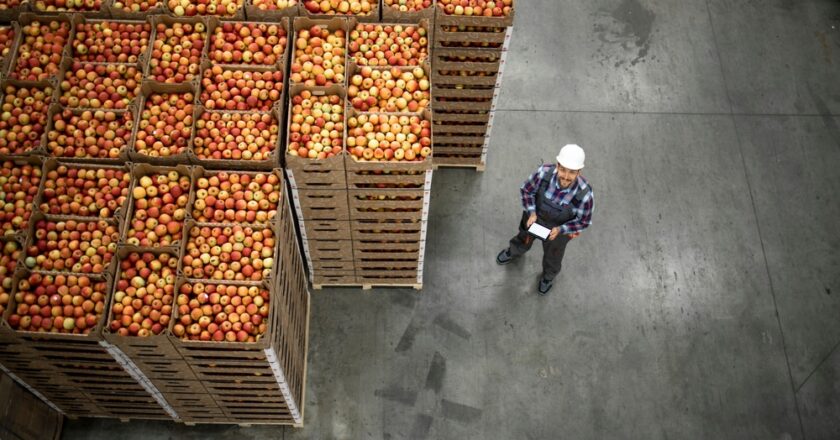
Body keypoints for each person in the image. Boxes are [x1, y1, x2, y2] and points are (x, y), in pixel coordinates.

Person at [496, 144, 594, 295]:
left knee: (553, 255)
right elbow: (527, 191)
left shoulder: (585, 194)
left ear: (579, 172)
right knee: (524, 238)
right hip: (535, 219)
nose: (566, 177)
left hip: (558, 231)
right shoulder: (543, 173)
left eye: (572, 172)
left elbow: (583, 221)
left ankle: (548, 276)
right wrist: (531, 212)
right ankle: (514, 251)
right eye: (562, 169)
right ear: (557, 165)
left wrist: (562, 229)